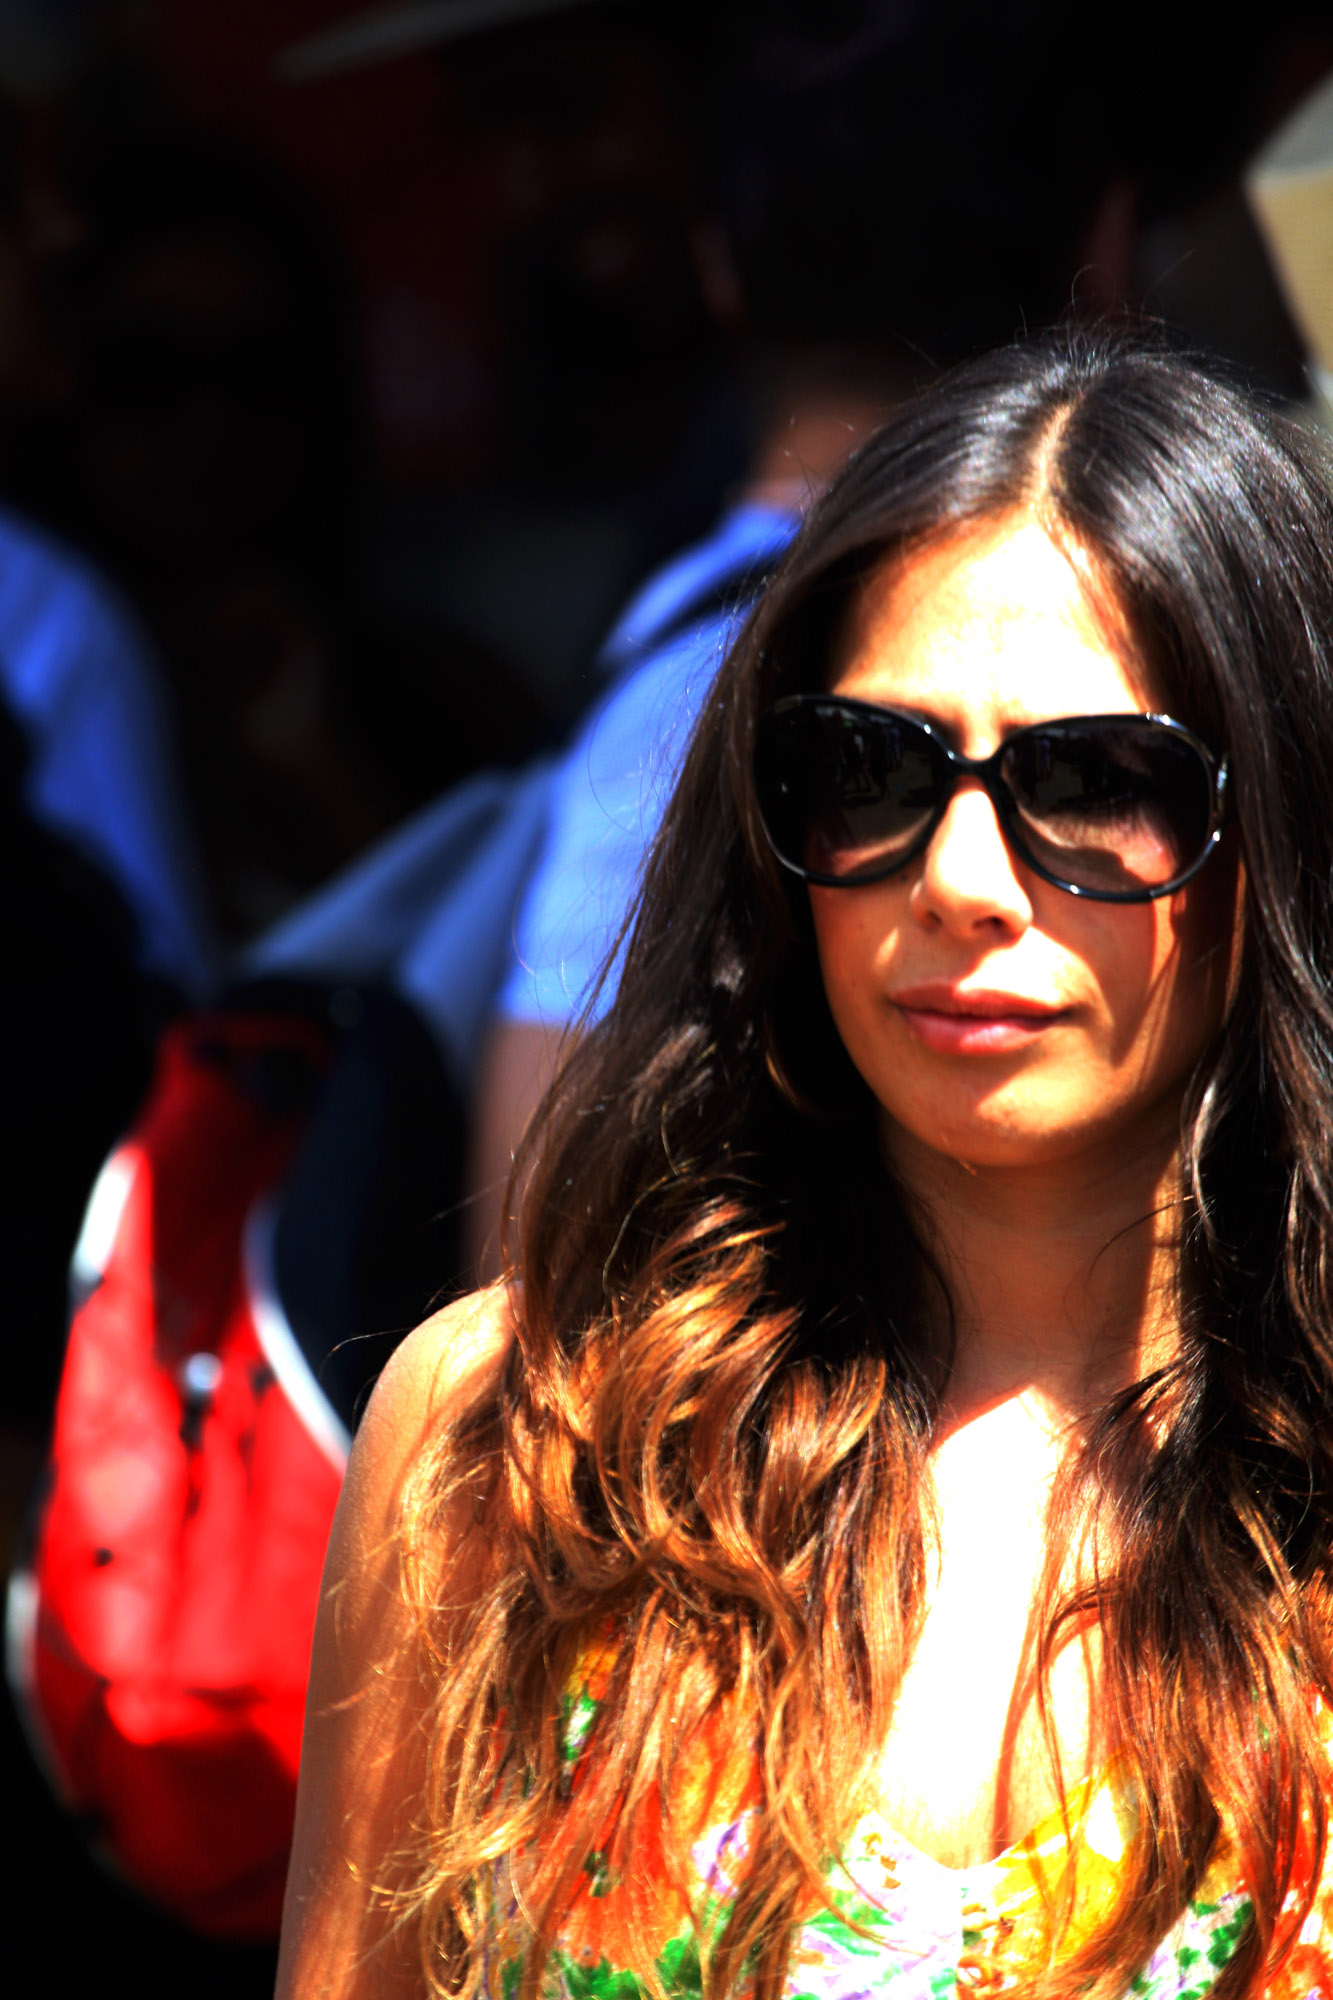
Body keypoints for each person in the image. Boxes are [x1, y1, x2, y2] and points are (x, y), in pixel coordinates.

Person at [277, 328, 1333, 2000]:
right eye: (870, 770)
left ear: (1276, 832)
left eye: (1097, 781)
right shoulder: (517, 1441)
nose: (963, 879)